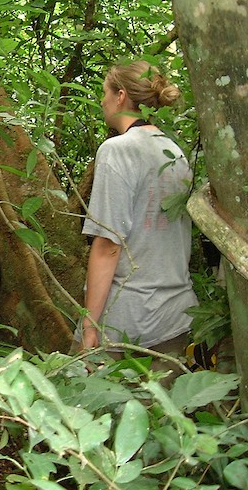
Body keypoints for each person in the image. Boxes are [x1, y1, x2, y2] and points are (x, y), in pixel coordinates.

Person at [76, 61, 198, 366]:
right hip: (177, 317)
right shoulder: (174, 150)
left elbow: (108, 245)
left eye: (104, 92)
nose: (101, 100)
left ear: (120, 96)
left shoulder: (118, 149)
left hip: (126, 323)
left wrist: (89, 325)